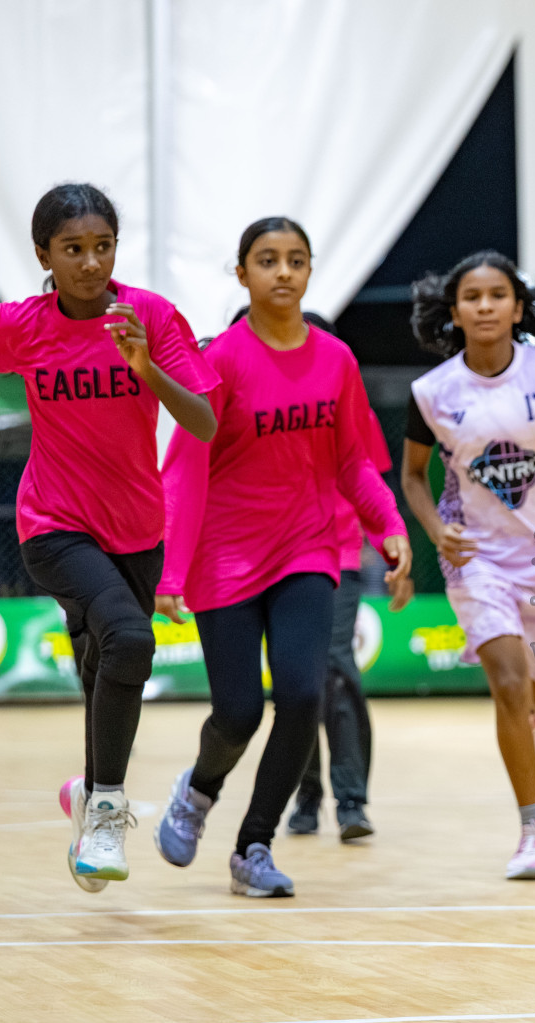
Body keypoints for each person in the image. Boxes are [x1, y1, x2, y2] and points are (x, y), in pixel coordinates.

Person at [0, 183, 219, 891]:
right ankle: (107, 812)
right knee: (132, 639)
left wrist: (147, 369)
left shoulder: (149, 317)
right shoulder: (22, 324)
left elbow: (203, 423)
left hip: (137, 529)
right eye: (73, 248)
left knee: (102, 663)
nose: (90, 262)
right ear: (43, 255)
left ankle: (87, 795)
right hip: (53, 524)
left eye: (103, 246)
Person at [152, 217, 411, 897]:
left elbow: (352, 461)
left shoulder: (336, 359)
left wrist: (388, 525)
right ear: (242, 274)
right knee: (238, 712)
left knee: (302, 694)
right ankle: (199, 789)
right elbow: (185, 470)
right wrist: (171, 571)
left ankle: (253, 846)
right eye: (267, 260)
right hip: (225, 557)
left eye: (296, 259)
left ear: (310, 270)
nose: (284, 271)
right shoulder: (220, 361)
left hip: (306, 550)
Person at [399, 250, 535, 881]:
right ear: (454, 311)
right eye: (472, 297)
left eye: (497, 295)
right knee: (509, 684)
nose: (484, 306)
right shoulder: (433, 393)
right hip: (478, 558)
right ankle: (534, 828)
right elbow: (412, 476)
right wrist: (436, 530)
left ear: (518, 308)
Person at [286, 312, 414, 842]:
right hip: (274, 560)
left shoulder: (346, 405)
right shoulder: (257, 399)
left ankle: (351, 800)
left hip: (336, 555)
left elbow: (371, 482)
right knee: (297, 682)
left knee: (336, 668)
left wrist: (391, 550)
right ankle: (306, 792)